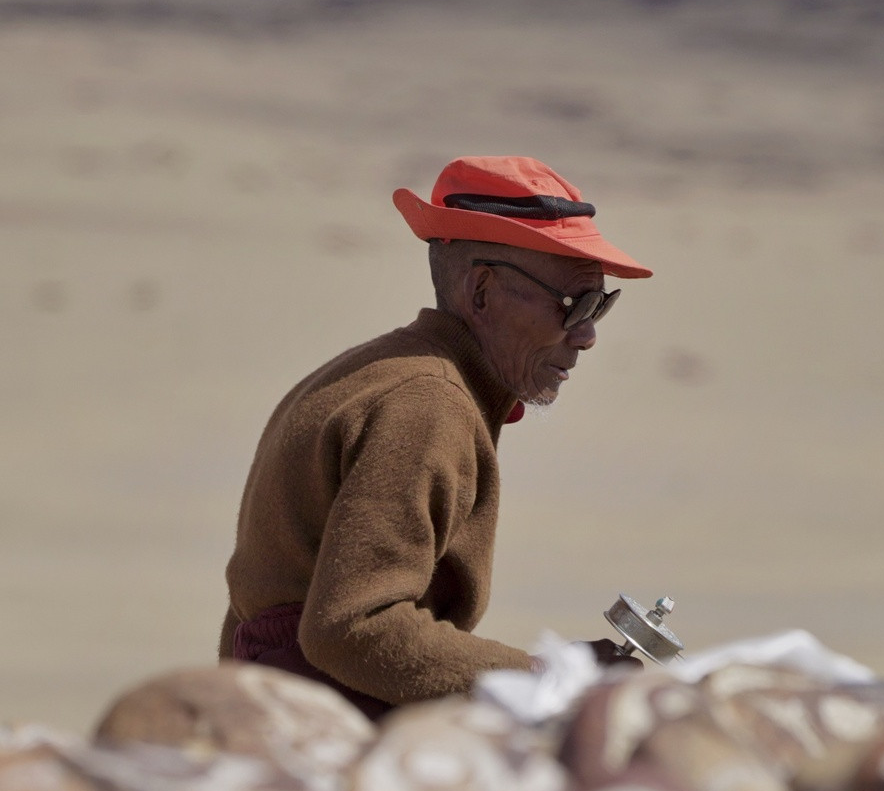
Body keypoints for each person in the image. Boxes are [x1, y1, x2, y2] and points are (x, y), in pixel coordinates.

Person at [218, 155, 652, 718]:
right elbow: (355, 627)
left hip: (275, 707)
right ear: (482, 292)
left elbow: (259, 608)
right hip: (327, 720)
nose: (588, 335)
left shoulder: (384, 371)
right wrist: (548, 679)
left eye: (602, 305)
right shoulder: (427, 405)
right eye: (576, 305)